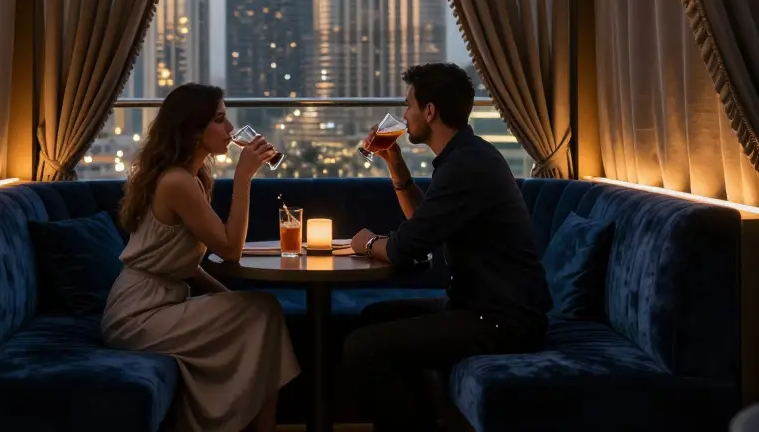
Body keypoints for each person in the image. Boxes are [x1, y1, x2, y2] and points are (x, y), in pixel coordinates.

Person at [343, 63, 552, 431]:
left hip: (502, 319)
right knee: (374, 318)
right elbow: (423, 223)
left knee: (364, 347)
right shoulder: (465, 156)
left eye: (408, 105)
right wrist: (395, 162)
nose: (403, 115)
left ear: (430, 111)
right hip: (479, 305)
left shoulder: (465, 165)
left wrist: (366, 243)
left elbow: (402, 249)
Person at [102, 83, 299, 432]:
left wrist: (226, 297)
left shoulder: (190, 177)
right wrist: (243, 177)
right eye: (220, 120)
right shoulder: (177, 182)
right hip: (139, 313)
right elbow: (230, 249)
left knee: (261, 312)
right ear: (193, 130)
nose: (229, 130)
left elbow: (186, 263)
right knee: (264, 311)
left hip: (156, 302)